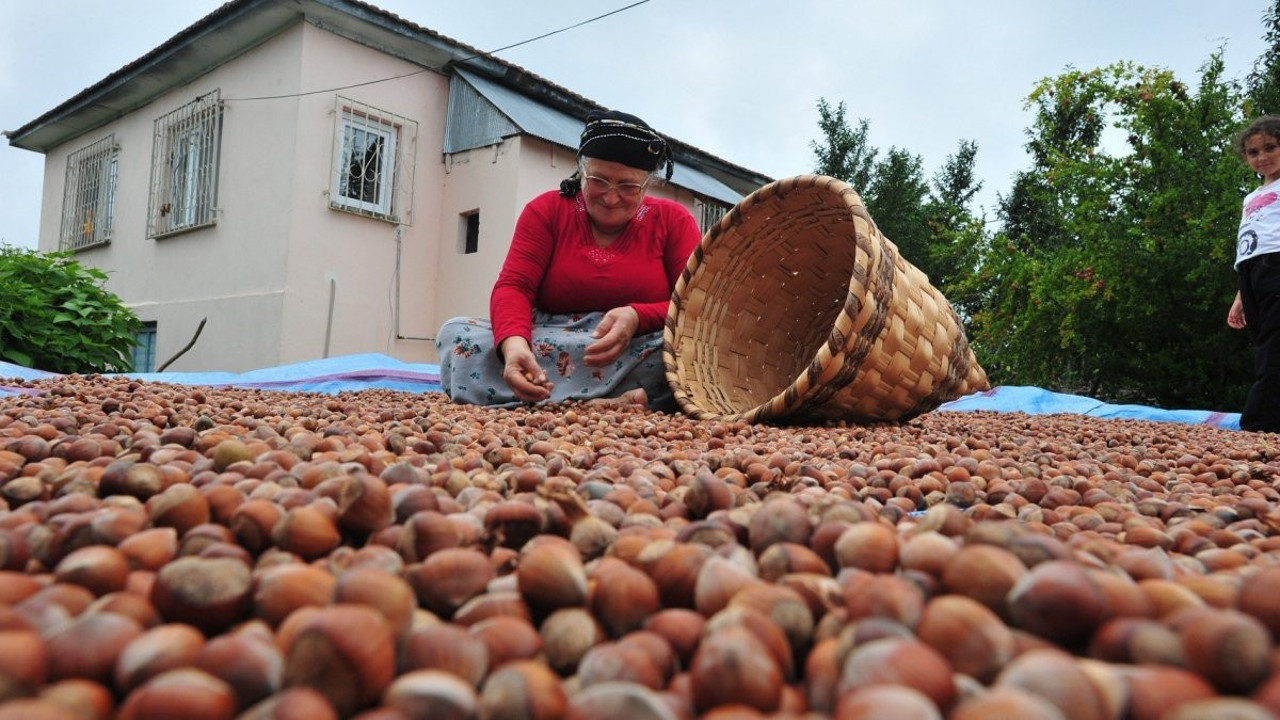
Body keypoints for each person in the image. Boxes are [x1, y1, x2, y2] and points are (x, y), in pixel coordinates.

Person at [436, 110, 702, 411]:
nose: (611, 198)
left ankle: (545, 400)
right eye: (599, 181)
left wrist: (637, 317)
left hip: (635, 344)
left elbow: (692, 306)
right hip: (550, 337)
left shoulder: (673, 221)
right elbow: (514, 286)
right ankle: (623, 400)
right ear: (581, 172)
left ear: (647, 184)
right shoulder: (546, 211)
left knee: (686, 354)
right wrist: (514, 346)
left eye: (628, 187)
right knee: (458, 334)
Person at [1228, 115, 1280, 432]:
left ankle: (1262, 423)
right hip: (1252, 271)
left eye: (1271, 147)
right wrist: (1240, 297)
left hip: (1277, 264)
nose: (1262, 157)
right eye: (1253, 152)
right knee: (1264, 341)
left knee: (1276, 342)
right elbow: (1248, 245)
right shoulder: (1251, 197)